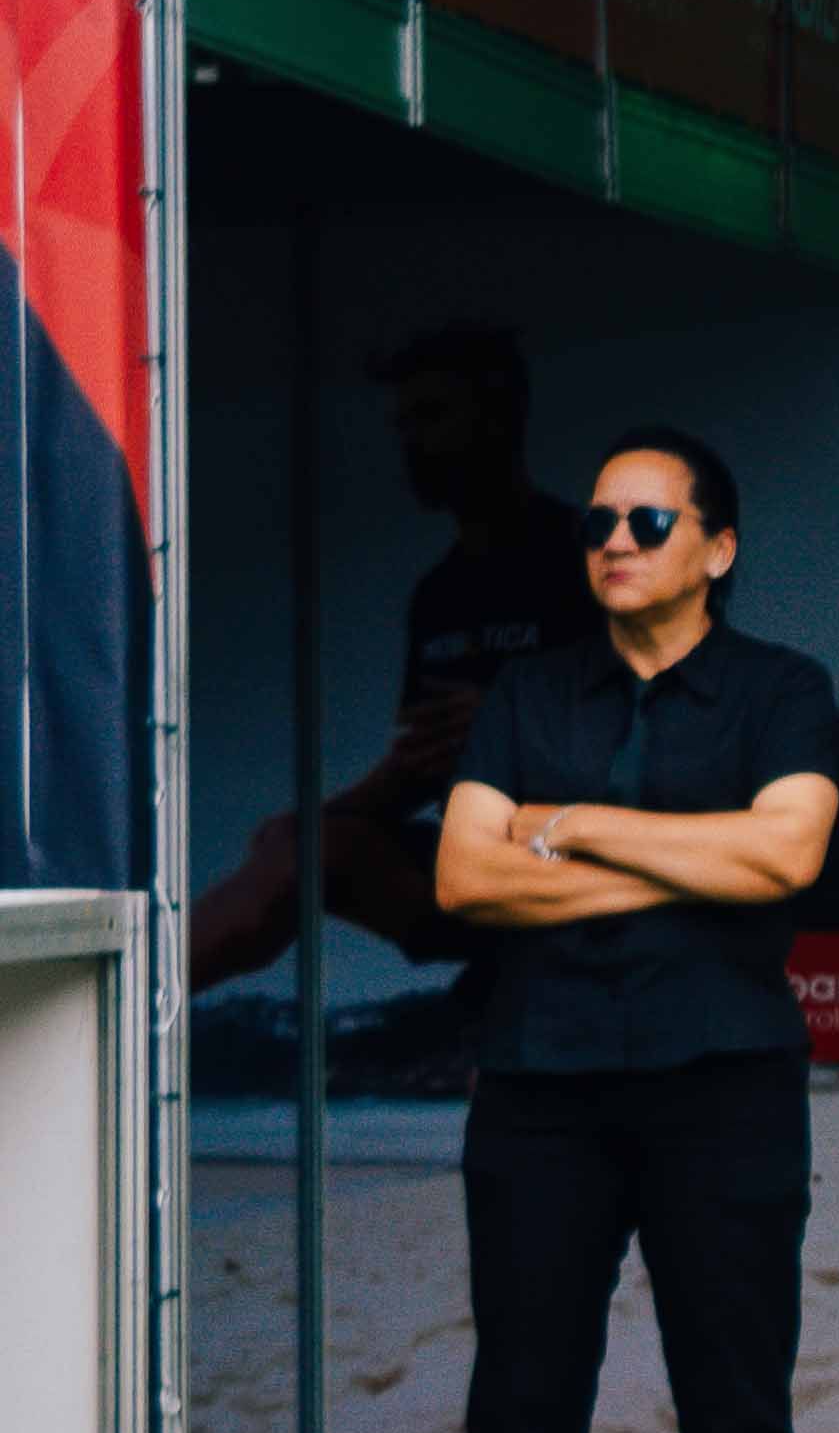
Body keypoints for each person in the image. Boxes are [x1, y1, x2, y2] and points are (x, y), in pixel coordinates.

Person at [390, 428, 839, 1433]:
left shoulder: (782, 689)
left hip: (725, 1087)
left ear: (718, 546)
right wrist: (697, 862)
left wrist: (574, 822)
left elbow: (788, 852)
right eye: (598, 520)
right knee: (520, 1419)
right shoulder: (529, 691)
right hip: (543, 1087)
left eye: (648, 521)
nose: (614, 541)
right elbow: (465, 879)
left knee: (738, 1420)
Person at [195, 323, 589, 1011]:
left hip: (596, 872)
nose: (411, 441)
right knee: (300, 849)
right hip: (480, 868)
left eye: (431, 416)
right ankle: (135, 992)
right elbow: (420, 767)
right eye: (403, 424)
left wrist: (513, 724)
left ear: (498, 417)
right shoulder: (440, 594)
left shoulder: (591, 562)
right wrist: (313, 821)